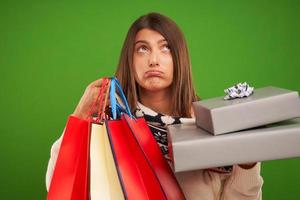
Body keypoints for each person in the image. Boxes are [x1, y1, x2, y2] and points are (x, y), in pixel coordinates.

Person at [46, 12, 263, 199]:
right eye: (142, 49)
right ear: (129, 60)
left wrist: (247, 166)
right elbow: (58, 184)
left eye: (165, 48)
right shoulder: (108, 127)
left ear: (179, 58)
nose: (153, 60)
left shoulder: (209, 127)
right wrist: (80, 116)